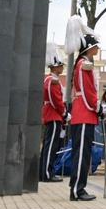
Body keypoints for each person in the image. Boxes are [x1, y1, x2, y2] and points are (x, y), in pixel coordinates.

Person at [65, 16, 100, 202]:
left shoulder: (80, 64)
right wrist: (98, 107)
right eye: (96, 46)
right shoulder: (84, 65)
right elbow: (87, 91)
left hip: (82, 113)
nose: (97, 49)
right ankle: (78, 189)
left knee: (81, 152)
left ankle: (77, 188)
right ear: (89, 48)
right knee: (81, 154)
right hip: (85, 113)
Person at [39, 54, 67, 182]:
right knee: (51, 146)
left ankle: (44, 172)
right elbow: (55, 99)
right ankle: (47, 173)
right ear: (55, 67)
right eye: (60, 66)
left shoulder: (51, 79)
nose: (62, 68)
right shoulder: (52, 80)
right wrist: (64, 112)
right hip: (53, 114)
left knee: (48, 145)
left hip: (52, 114)